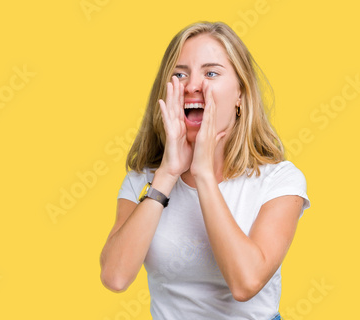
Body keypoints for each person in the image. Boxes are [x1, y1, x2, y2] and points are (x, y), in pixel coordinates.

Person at [99, 21, 310, 320]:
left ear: (241, 94)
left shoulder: (279, 180)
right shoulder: (143, 181)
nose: (192, 85)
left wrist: (204, 176)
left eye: (211, 73)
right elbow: (115, 277)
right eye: (180, 74)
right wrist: (168, 175)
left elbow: (245, 282)